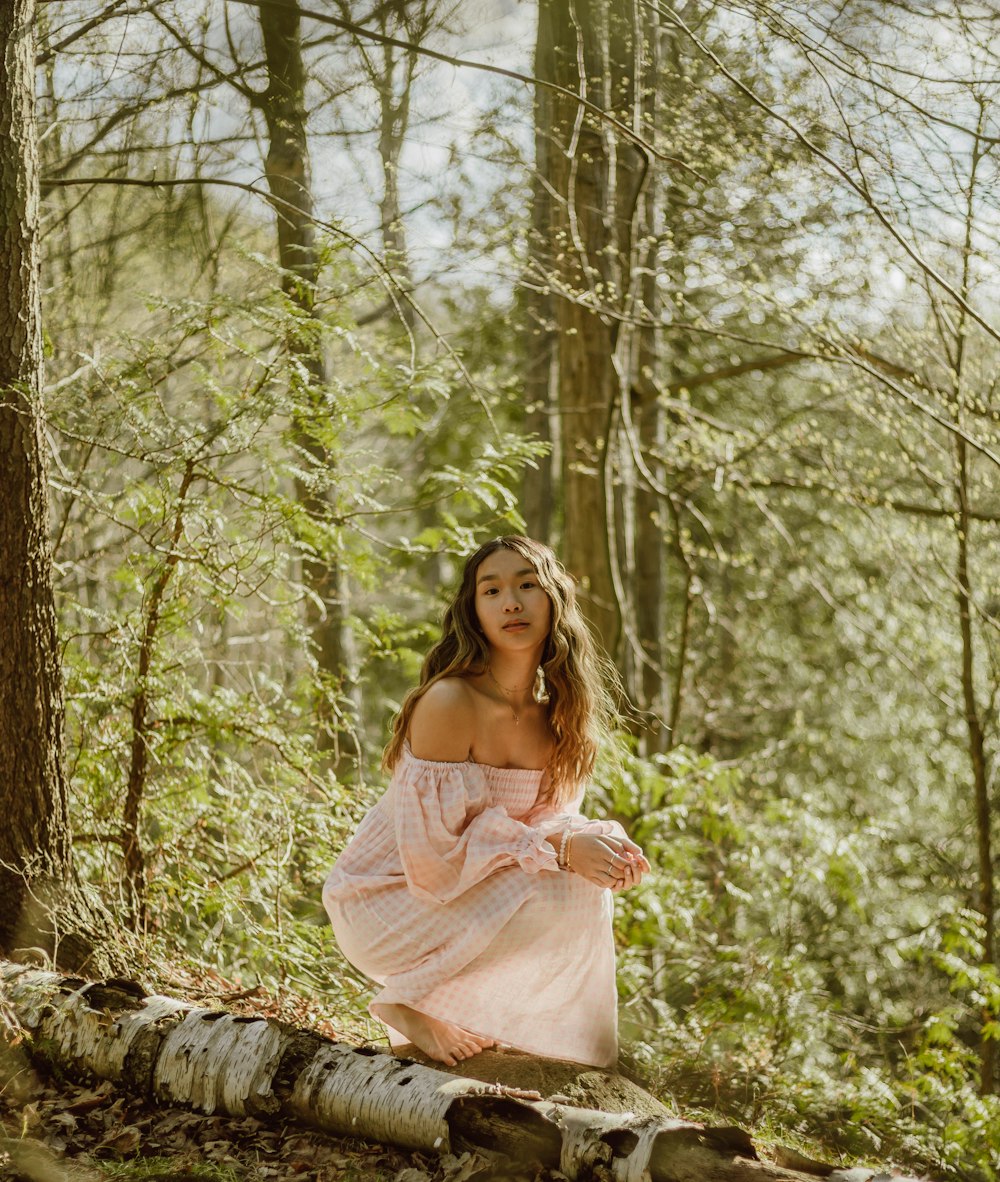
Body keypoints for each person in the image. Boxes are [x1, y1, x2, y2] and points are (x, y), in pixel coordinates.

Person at [322, 536, 649, 1068]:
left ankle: (542, 1044)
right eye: (491, 590)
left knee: (584, 885)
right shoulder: (451, 702)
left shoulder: (558, 717)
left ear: (555, 602)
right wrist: (564, 848)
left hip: (463, 896)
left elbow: (554, 826)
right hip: (387, 901)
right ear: (474, 612)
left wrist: (606, 850)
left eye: (527, 585)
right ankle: (404, 1002)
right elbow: (435, 863)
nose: (511, 603)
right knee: (560, 876)